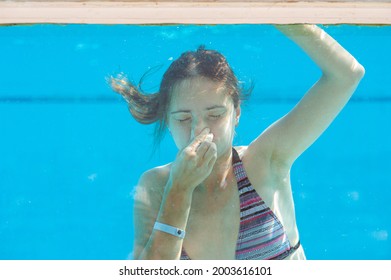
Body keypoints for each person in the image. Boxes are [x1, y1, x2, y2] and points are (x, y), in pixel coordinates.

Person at [110, 24, 365, 260]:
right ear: (167, 120)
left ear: (237, 114)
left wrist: (283, 15)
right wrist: (179, 189)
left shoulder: (266, 160)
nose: (199, 130)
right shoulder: (156, 186)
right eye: (183, 118)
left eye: (215, 115)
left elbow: (347, 75)